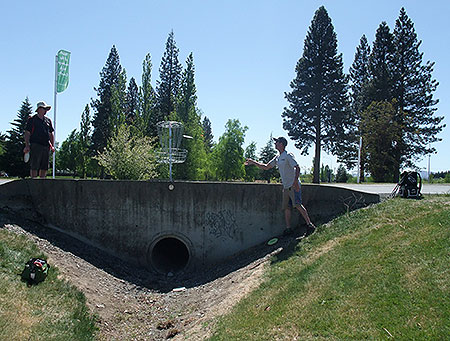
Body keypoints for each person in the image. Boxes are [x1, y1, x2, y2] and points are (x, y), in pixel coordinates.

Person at [245, 136, 315, 236]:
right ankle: (288, 229)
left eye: (277, 142)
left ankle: (309, 225)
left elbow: (297, 167)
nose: (275, 144)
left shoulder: (288, 156)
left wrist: (295, 182)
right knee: (287, 207)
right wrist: (253, 162)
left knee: (298, 205)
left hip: (293, 185)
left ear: (281, 144)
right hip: (286, 187)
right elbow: (266, 167)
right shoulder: (277, 158)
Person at [23, 101, 55, 178]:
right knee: (35, 165)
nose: (45, 111)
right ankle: (34, 181)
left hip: (46, 145)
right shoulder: (32, 120)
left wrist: (52, 145)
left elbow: (51, 133)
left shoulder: (48, 121)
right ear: (39, 109)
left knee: (44, 166)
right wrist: (27, 145)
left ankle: (42, 182)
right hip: (36, 145)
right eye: (44, 109)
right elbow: (27, 133)